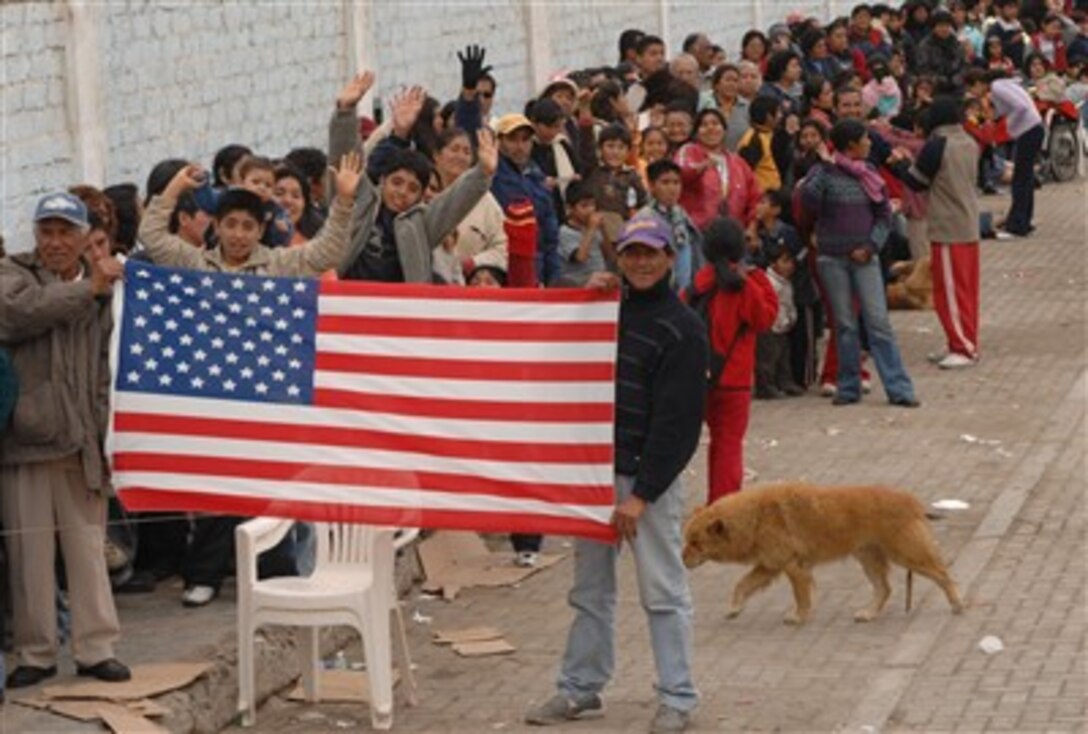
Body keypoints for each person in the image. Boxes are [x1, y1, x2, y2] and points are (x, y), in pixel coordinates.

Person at [524, 214, 707, 734]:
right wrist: (583, 294)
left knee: (664, 592)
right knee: (589, 591)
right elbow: (550, 342)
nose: (642, 263)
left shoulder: (683, 329)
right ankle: (580, 688)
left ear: (671, 257)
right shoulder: (605, 311)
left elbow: (678, 426)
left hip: (646, 485)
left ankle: (677, 697)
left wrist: (642, 495)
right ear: (619, 257)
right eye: (632, 253)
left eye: (651, 253)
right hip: (595, 476)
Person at [0, 192, 131, 687]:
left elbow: (102, 372)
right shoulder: (14, 274)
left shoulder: (96, 286)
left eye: (64, 233)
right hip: (26, 442)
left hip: (80, 441)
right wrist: (88, 290)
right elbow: (15, 315)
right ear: (35, 235)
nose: (55, 242)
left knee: (88, 551)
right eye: (46, 232)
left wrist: (105, 437)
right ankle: (36, 653)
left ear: (81, 238)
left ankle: (96, 648)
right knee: (28, 557)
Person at [328, 74, 497, 283]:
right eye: (397, 182)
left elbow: (455, 202)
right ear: (383, 181)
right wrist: (345, 111)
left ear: (421, 195)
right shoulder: (361, 204)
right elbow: (345, 163)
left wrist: (483, 172)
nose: (402, 193)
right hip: (348, 306)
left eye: (412, 188)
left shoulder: (421, 223)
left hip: (401, 311)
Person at [800, 119, 920, 408]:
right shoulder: (823, 173)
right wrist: (825, 166)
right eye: (865, 139)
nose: (869, 144)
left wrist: (870, 246)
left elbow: (883, 216)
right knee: (844, 325)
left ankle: (899, 388)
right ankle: (848, 386)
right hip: (832, 259)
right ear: (851, 145)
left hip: (865, 258)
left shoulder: (869, 174)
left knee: (878, 323)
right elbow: (809, 200)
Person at [687, 218, 777, 501]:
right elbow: (765, 319)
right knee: (727, 447)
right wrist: (758, 279)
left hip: (698, 377)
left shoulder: (698, 284)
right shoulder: (745, 285)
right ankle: (723, 506)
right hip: (734, 380)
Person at [898, 96, 981, 369]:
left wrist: (897, 162)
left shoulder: (938, 145)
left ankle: (962, 346)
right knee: (966, 290)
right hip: (968, 224)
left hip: (948, 227)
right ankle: (962, 339)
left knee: (949, 292)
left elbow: (916, 181)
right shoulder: (969, 141)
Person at [489, 112, 561, 285]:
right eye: (512, 139)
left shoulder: (537, 176)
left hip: (537, 270)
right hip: (502, 268)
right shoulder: (491, 174)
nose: (520, 146)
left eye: (525, 139)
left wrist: (553, 280)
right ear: (499, 142)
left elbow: (550, 236)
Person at [675, 109, 761, 230]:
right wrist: (701, 167)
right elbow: (679, 174)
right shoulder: (688, 151)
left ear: (724, 130)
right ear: (696, 133)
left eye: (715, 123)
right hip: (696, 232)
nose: (711, 128)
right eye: (704, 125)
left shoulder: (739, 163)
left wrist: (752, 228)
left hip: (734, 233)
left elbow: (755, 197)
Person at [982, 71, 1044, 238]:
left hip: (1027, 130)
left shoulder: (996, 87)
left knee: (1020, 178)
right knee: (1026, 176)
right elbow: (1005, 109)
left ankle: (1017, 225)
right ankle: (1023, 219)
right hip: (1034, 128)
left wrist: (1011, 126)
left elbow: (1020, 107)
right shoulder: (1007, 84)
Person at [640, 159, 703, 293]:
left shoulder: (681, 214)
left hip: (685, 289)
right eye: (665, 182)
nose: (672, 188)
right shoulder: (645, 218)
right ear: (651, 186)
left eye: (676, 183)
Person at [754, 235, 803, 399]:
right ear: (773, 264)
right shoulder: (769, 283)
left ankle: (785, 382)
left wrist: (791, 318)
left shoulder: (786, 282)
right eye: (785, 261)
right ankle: (765, 386)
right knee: (767, 358)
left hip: (782, 326)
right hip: (770, 326)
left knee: (783, 357)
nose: (790, 266)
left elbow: (788, 304)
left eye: (791, 262)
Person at [557, 182, 609, 287]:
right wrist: (591, 229)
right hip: (578, 283)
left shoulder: (593, 227)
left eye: (593, 204)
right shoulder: (564, 232)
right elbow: (580, 258)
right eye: (584, 206)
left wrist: (603, 229)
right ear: (570, 208)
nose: (591, 210)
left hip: (600, 278)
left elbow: (609, 255)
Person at [698, 64, 751, 151]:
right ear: (716, 84)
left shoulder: (747, 107)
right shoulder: (703, 103)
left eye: (735, 80)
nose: (732, 84)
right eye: (728, 80)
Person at [916, 10, 969, 93]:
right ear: (934, 27)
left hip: (956, 86)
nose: (944, 29)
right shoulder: (925, 45)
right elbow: (923, 69)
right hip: (934, 88)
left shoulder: (956, 44)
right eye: (940, 26)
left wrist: (956, 79)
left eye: (947, 26)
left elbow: (964, 66)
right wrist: (940, 80)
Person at [273, 165, 325, 245]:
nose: (288, 200)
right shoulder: (253, 241)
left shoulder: (318, 242)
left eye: (296, 196)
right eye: (279, 193)